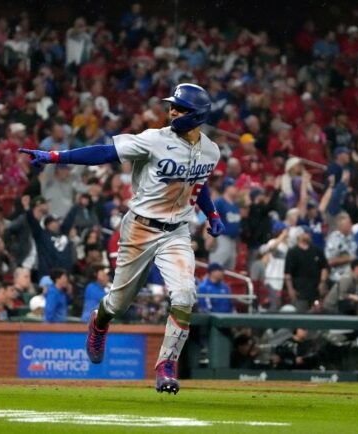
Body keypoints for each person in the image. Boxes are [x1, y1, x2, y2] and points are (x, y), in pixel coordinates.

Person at [21, 83, 224, 394]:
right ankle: (100, 321)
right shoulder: (154, 139)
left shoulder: (211, 150)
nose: (172, 111)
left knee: (185, 294)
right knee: (119, 302)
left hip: (177, 232)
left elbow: (199, 179)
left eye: (180, 108)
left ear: (197, 115)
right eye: (172, 105)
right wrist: (54, 156)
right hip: (141, 228)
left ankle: (166, 365)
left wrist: (212, 215)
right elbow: (105, 152)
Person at [284, 228, 329, 312]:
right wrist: (290, 289)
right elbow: (288, 273)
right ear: (298, 236)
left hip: (315, 291)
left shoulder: (316, 250)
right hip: (300, 292)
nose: (308, 235)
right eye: (306, 233)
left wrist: (322, 283)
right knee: (301, 316)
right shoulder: (292, 252)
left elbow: (324, 267)